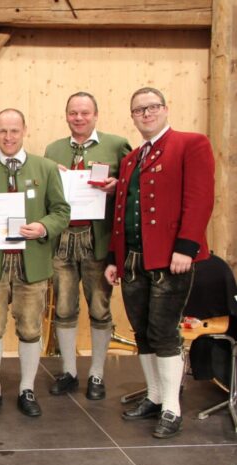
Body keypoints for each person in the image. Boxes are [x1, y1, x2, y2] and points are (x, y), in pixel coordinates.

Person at [104, 87, 215, 438]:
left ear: (165, 109)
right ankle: (153, 396)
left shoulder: (191, 143)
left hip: (171, 258)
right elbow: (121, 214)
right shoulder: (131, 159)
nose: (146, 114)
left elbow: (200, 198)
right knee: (143, 332)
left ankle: (171, 407)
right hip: (134, 259)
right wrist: (113, 258)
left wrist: (186, 246)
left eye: (152, 107)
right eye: (139, 110)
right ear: (133, 116)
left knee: (165, 333)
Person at [0, 109, 69, 418]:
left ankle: (27, 388)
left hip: (32, 264)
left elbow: (61, 211)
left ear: (24, 130)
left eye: (14, 131)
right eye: (2, 131)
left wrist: (43, 227)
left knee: (29, 327)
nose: (8, 137)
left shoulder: (46, 167)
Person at [44, 92, 131, 400]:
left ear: (96, 115)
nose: (78, 118)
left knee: (99, 307)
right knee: (64, 308)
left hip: (98, 239)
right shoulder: (52, 149)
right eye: (73, 113)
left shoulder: (116, 145)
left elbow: (132, 186)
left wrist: (117, 186)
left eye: (84, 113)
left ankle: (96, 373)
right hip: (63, 240)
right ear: (66, 116)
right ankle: (69, 371)